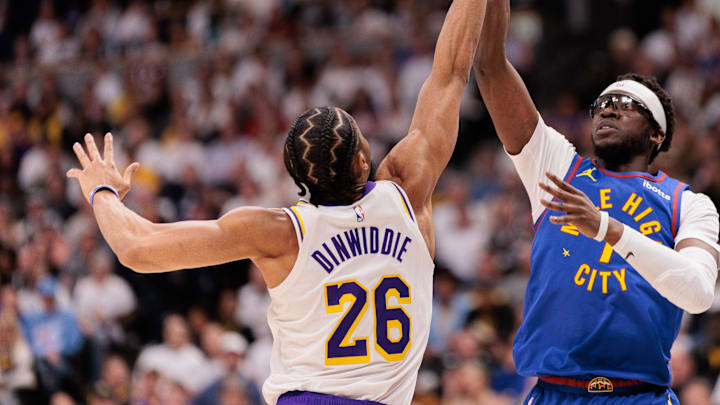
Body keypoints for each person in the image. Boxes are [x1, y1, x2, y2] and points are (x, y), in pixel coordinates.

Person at [65, 0, 488, 403]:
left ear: (298, 178)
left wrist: (102, 193)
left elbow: (138, 249)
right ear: (363, 160)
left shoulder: (280, 233)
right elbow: (451, 71)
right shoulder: (407, 191)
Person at [472, 0, 720, 404]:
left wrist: (605, 228)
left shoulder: (688, 204)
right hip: (554, 393)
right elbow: (489, 67)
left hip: (639, 395)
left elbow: (697, 292)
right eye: (602, 104)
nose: (608, 110)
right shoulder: (557, 167)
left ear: (657, 133)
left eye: (626, 106)